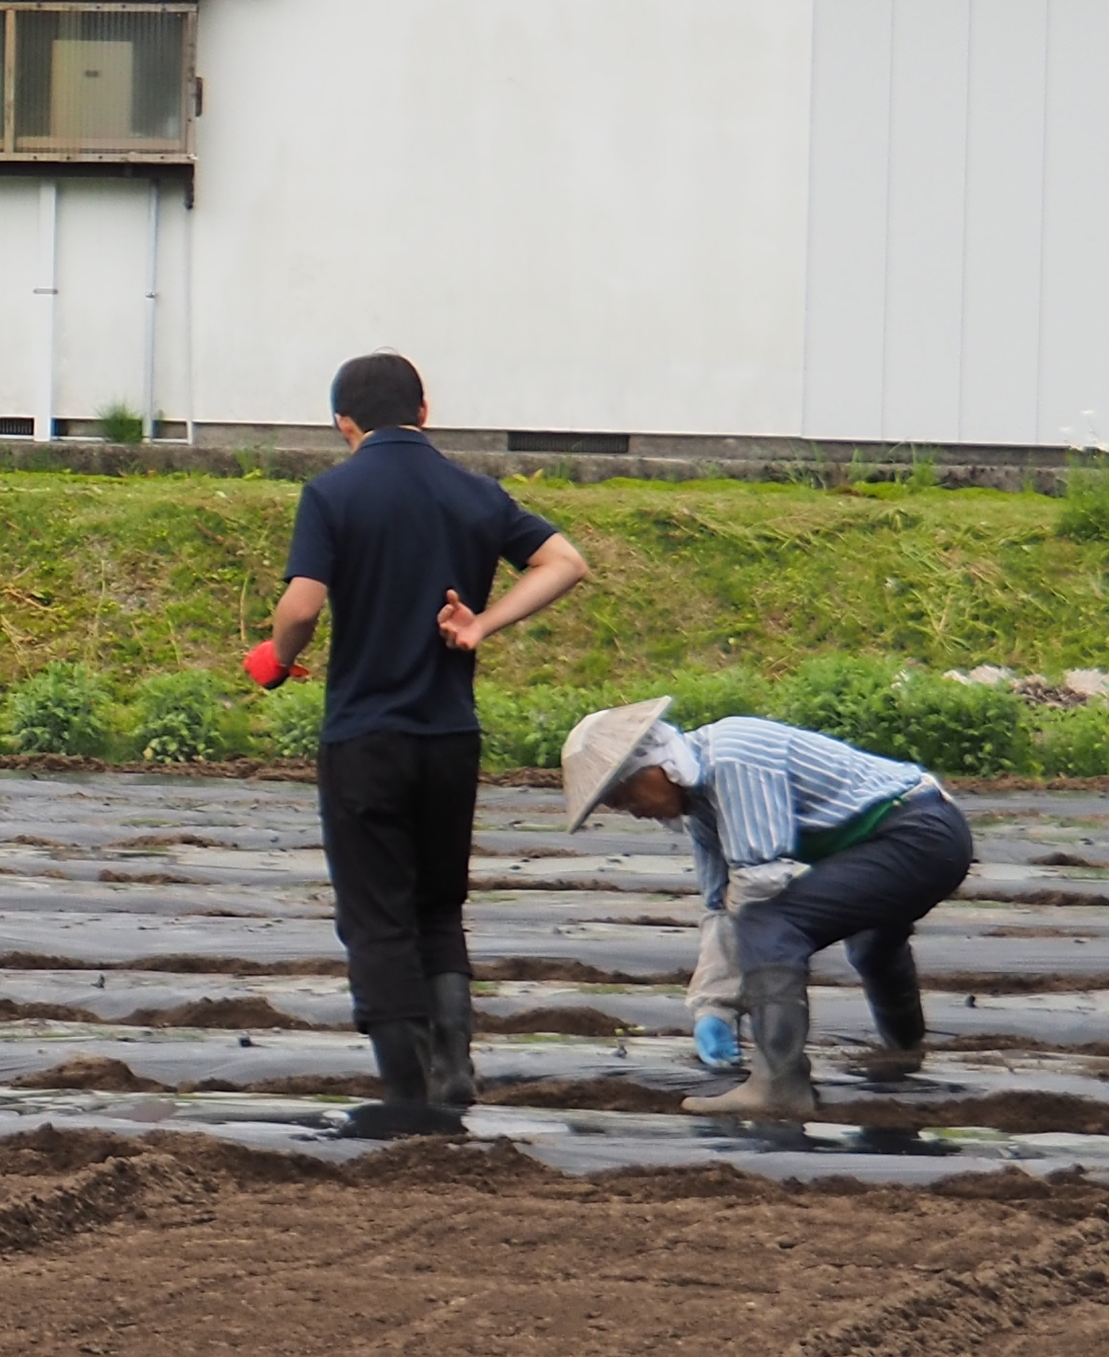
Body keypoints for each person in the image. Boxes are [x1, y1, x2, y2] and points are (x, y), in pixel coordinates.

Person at [248, 353, 592, 1136]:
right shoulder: (475, 493)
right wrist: (481, 622)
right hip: (450, 739)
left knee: (375, 917)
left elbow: (302, 604)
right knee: (439, 907)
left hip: (366, 737)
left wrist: (276, 657)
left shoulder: (333, 493)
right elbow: (566, 563)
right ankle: (455, 1065)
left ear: (345, 424)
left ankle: (405, 1090)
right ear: (425, 410)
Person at [563, 697, 971, 1136]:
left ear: (656, 766)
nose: (633, 810)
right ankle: (904, 1053)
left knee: (772, 921)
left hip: (919, 833)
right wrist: (712, 1006)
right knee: (872, 943)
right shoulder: (701, 805)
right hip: (907, 838)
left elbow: (758, 888)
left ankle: (780, 1083)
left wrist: (727, 989)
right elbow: (721, 905)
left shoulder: (734, 757)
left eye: (626, 796)